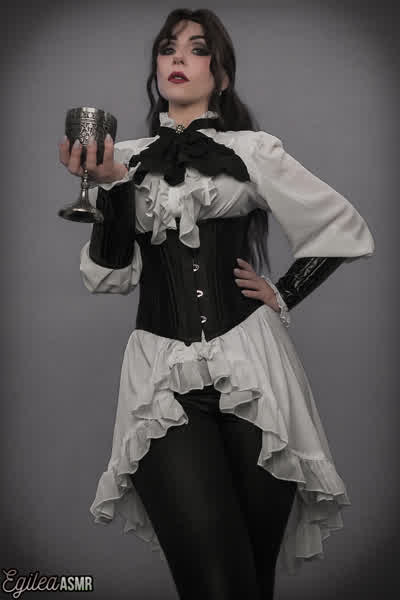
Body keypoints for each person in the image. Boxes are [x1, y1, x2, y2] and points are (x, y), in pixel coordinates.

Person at [58, 8, 375, 600]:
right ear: (157, 68)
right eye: (168, 47)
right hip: (161, 379)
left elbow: (339, 227)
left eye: (197, 48)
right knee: (215, 585)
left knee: (251, 583)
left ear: (221, 76)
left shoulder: (251, 150)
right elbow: (110, 274)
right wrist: (111, 184)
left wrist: (285, 291)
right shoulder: (123, 156)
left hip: (256, 374)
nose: (178, 57)